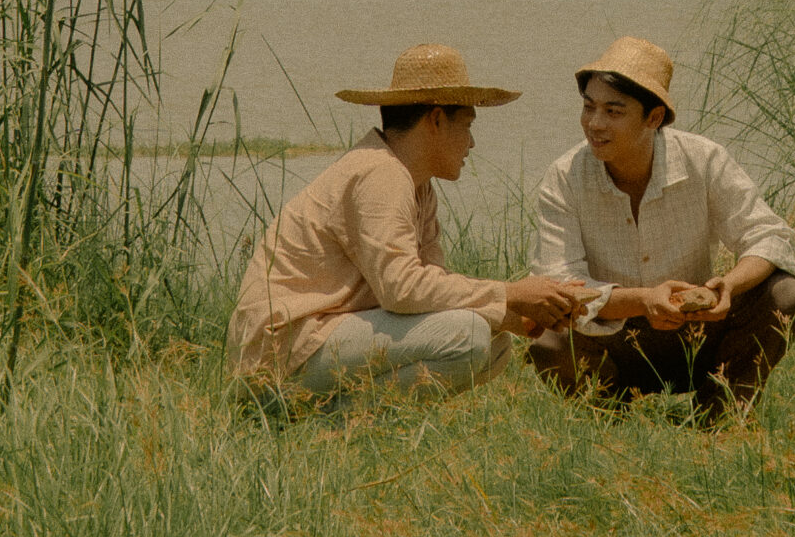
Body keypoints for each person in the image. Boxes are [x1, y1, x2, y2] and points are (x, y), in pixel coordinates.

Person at [228, 43, 583, 405]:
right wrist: (511, 294)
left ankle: (341, 424)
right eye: (467, 125)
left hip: (317, 340)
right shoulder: (380, 174)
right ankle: (329, 427)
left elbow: (432, 290)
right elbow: (401, 289)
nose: (472, 143)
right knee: (468, 335)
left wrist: (514, 317)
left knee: (494, 343)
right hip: (280, 354)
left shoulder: (417, 185)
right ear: (437, 120)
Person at [528, 36, 795, 423]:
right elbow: (558, 280)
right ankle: (611, 423)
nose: (594, 124)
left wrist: (727, 285)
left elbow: (769, 236)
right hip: (612, 344)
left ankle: (720, 413)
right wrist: (644, 299)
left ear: (654, 118)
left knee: (786, 294)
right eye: (589, 107)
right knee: (544, 334)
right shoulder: (564, 176)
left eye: (614, 111)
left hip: (697, 337)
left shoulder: (703, 159)